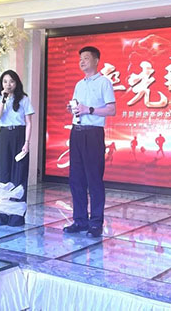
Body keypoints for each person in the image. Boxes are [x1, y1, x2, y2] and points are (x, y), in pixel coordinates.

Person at [64, 46, 116, 238]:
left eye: (86, 58)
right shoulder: (79, 84)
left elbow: (111, 110)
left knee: (94, 179)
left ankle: (95, 223)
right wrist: (73, 109)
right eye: (80, 59)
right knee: (75, 179)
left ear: (96, 61)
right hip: (76, 132)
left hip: (93, 134)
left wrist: (89, 110)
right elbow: (79, 107)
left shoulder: (104, 82)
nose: (82, 61)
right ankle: (80, 221)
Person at [0, 70, 34, 226]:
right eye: (5, 81)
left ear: (16, 83)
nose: (8, 84)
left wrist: (27, 142)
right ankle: (3, 216)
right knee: (4, 175)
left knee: (19, 175)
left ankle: (16, 217)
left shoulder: (24, 99)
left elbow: (29, 122)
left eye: (11, 81)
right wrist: (3, 101)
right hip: (4, 136)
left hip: (19, 135)